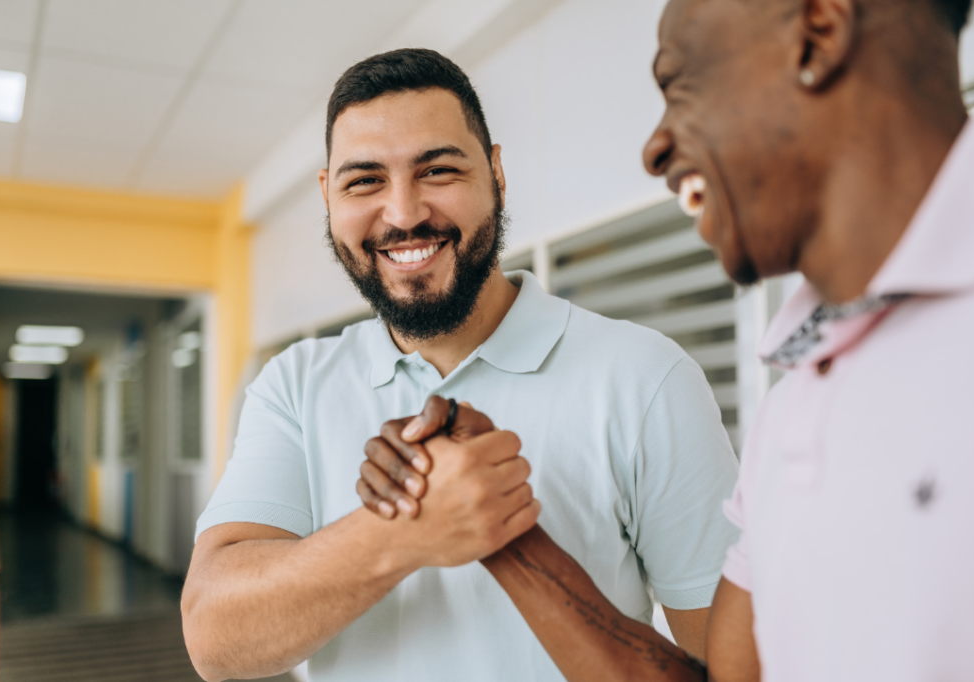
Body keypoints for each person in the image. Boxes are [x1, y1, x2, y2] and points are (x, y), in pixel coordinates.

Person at [359, 0, 974, 680]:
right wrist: (500, 531)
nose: (655, 148)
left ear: (817, 34)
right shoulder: (804, 381)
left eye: (679, 86)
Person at [181, 48, 739, 682]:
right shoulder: (293, 385)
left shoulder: (646, 378)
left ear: (496, 172)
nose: (404, 213)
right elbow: (213, 639)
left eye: (438, 170)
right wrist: (400, 533)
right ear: (327, 196)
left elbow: (729, 666)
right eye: (364, 180)